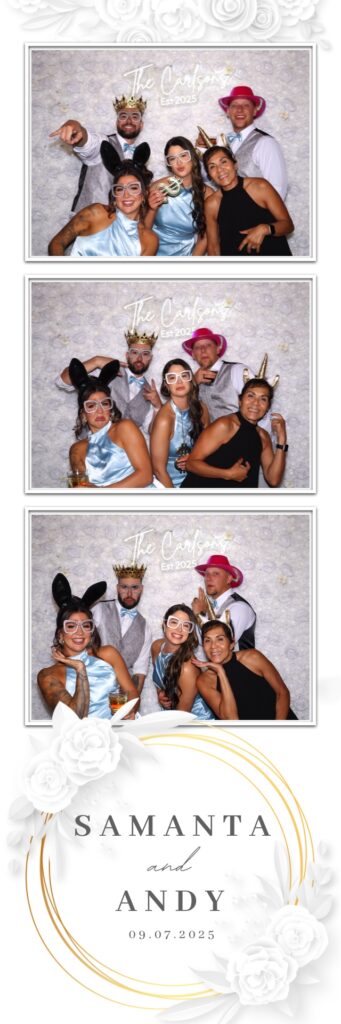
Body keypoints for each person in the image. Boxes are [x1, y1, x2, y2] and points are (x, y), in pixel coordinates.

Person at [37, 574, 138, 719]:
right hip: (85, 738)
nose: (80, 632)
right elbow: (75, 717)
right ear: (60, 634)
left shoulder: (108, 654)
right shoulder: (48, 675)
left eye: (86, 625)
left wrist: (130, 710)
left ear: (91, 631)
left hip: (122, 729)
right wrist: (80, 670)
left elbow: (131, 691)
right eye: (71, 626)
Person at [48, 145, 158, 257]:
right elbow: (57, 243)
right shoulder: (95, 213)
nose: (126, 195)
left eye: (133, 188)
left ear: (144, 194)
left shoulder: (150, 240)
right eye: (119, 189)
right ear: (114, 196)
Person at [56, 329, 161, 445]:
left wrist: (157, 407)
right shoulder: (109, 371)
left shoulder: (151, 391)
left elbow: (151, 431)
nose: (139, 358)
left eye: (145, 354)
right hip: (93, 448)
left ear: (150, 358)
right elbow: (63, 381)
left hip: (127, 454)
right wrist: (96, 361)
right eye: (135, 352)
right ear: (127, 355)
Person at [49, 94, 148, 212]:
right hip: (90, 223)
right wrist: (76, 127)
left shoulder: (141, 154)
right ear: (117, 122)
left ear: (141, 125)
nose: (129, 120)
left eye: (135, 117)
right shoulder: (103, 143)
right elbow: (89, 143)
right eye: (123, 116)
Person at [182, 377, 287, 488]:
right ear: (240, 400)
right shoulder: (224, 425)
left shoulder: (263, 437)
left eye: (263, 399)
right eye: (251, 396)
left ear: (268, 407)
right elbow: (191, 464)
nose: (256, 403)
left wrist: (282, 439)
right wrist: (227, 474)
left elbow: (273, 480)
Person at [68, 358, 153, 488]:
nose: (100, 411)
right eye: (91, 405)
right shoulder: (77, 449)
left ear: (111, 408)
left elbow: (145, 476)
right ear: (83, 414)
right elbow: (81, 487)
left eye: (104, 403)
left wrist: (103, 494)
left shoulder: (125, 428)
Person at [193, 620, 297, 720]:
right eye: (207, 640)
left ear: (232, 644)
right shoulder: (204, 681)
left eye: (220, 639)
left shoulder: (253, 657)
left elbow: (282, 693)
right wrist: (221, 672)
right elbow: (230, 719)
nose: (213, 646)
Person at [197, 84, 287, 198]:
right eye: (234, 105)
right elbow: (207, 178)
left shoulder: (266, 143)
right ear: (228, 111)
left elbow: (278, 191)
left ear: (255, 110)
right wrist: (201, 156)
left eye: (246, 105)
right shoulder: (221, 141)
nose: (240, 110)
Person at [203, 146, 293, 256]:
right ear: (209, 176)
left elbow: (288, 225)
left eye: (224, 162)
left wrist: (265, 229)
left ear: (235, 164)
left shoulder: (260, 187)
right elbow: (213, 247)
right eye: (212, 167)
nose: (220, 169)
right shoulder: (211, 204)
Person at [181, 327, 271, 429]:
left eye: (208, 345)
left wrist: (262, 441)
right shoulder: (189, 381)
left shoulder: (238, 370)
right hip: (207, 443)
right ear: (193, 354)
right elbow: (180, 415)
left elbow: (261, 408)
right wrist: (193, 383)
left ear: (218, 349)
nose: (203, 350)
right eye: (197, 347)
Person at [146, 137, 213, 256]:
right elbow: (143, 230)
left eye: (183, 155)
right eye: (172, 158)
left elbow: (206, 236)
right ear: (169, 164)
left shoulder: (207, 194)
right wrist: (151, 209)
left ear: (192, 156)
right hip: (153, 251)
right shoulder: (158, 187)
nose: (179, 162)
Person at [93, 563, 152, 696]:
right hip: (93, 687)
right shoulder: (98, 610)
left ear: (141, 589)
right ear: (117, 588)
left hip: (121, 696)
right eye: (124, 587)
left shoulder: (145, 627)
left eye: (135, 587)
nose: (129, 593)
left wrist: (133, 704)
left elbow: (140, 670)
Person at [150, 359, 209, 488]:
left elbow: (209, 450)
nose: (179, 381)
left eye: (183, 375)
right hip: (169, 485)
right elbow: (159, 470)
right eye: (172, 377)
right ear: (166, 385)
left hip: (198, 477)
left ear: (191, 380)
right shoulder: (165, 419)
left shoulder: (202, 409)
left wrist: (193, 458)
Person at [152, 604, 216, 719]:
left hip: (196, 726)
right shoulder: (156, 647)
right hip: (172, 718)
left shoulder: (187, 668)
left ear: (190, 632)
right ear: (164, 625)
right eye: (174, 622)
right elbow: (161, 679)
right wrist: (160, 692)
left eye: (186, 625)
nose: (179, 629)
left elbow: (181, 717)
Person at [191, 554, 256, 651]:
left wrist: (199, 615)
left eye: (215, 574)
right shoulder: (210, 606)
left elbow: (220, 645)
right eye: (206, 574)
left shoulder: (239, 607)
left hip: (237, 666)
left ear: (229, 578)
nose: (208, 578)